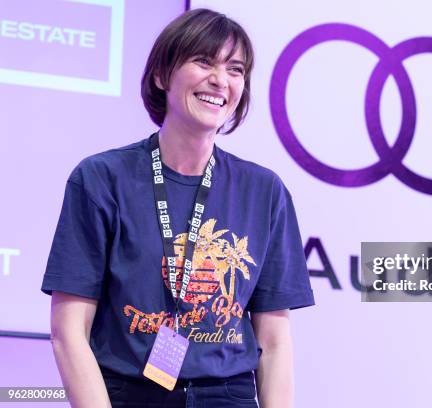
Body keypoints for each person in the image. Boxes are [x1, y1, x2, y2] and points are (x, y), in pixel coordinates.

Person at [41, 8, 314, 408]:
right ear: (161, 74)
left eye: (235, 69)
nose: (220, 80)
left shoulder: (264, 191)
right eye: (204, 61)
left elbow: (273, 343)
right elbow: (68, 331)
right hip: (130, 394)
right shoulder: (101, 178)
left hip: (228, 396)